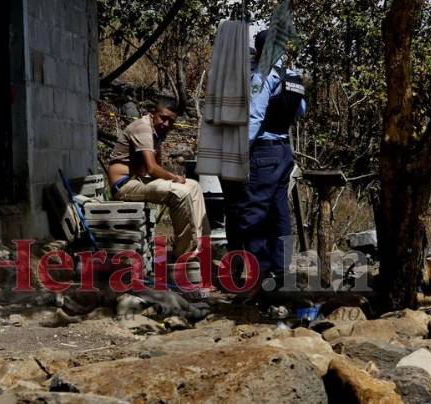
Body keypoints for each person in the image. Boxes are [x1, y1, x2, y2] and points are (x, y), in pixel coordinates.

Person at [223, 30, 306, 289]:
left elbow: (255, 117)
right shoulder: (293, 77)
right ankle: (281, 271)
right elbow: (300, 112)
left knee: (254, 212)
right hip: (284, 152)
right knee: (279, 214)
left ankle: (259, 276)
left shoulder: (262, 76)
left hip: (264, 152)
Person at [108, 98, 210, 258]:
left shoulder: (157, 132)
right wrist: (174, 177)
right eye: (163, 118)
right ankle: (184, 252)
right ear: (153, 113)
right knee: (180, 193)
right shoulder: (143, 127)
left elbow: (156, 166)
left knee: (194, 186)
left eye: (171, 121)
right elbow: (153, 168)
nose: (166, 123)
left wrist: (170, 178)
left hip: (140, 180)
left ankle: (202, 245)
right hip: (123, 185)